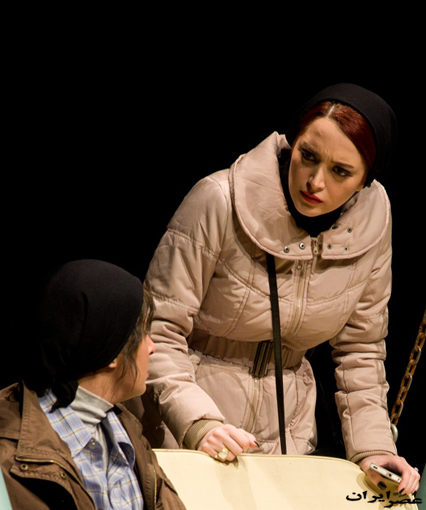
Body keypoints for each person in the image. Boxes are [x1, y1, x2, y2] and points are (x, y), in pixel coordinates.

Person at [141, 83, 420, 495]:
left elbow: (360, 350)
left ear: (365, 180)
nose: (315, 181)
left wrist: (374, 448)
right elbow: (157, 333)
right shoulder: (218, 200)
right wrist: (198, 423)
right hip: (187, 427)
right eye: (308, 156)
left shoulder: (371, 224)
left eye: (341, 172)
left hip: (289, 441)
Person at [0, 259, 186, 510]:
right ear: (113, 352)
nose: (152, 347)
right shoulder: (9, 454)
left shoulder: (127, 429)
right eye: (143, 334)